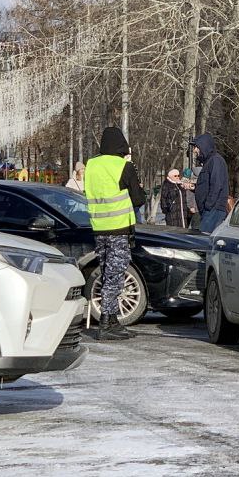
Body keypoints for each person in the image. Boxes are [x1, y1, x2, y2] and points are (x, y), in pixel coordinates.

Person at [85, 127, 146, 340]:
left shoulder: (91, 165)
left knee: (106, 272)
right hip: (119, 228)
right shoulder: (123, 166)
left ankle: (111, 318)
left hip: (98, 228)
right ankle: (105, 323)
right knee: (116, 274)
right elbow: (138, 199)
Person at [190, 133, 229, 233]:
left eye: (196, 147)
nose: (195, 150)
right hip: (209, 210)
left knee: (205, 240)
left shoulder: (215, 161)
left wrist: (208, 205)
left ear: (203, 146)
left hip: (213, 210)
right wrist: (194, 188)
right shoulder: (209, 161)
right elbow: (206, 185)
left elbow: (217, 185)